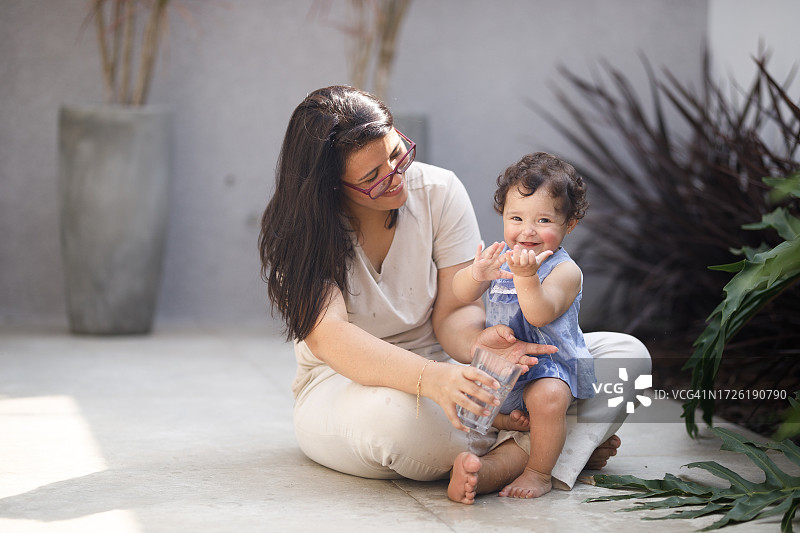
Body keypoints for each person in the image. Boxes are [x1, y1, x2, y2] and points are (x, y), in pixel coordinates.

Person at [258, 85, 650, 505]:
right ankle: (556, 444)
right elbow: (330, 337)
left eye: (397, 155)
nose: (395, 177)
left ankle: (522, 449)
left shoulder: (438, 190)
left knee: (626, 356)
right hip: (346, 383)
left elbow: (455, 309)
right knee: (404, 426)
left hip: (448, 369)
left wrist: (477, 345)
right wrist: (432, 380)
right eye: (372, 178)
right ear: (330, 188)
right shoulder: (297, 232)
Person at [453, 152, 598, 498]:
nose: (527, 231)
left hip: (549, 370)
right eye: (516, 217)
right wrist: (476, 275)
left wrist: (526, 277)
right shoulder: (502, 258)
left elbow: (539, 313)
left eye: (544, 220)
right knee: (465, 392)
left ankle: (538, 471)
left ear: (569, 224)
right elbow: (459, 294)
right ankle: (505, 424)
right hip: (503, 369)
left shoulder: (566, 271)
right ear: (503, 216)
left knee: (548, 399)